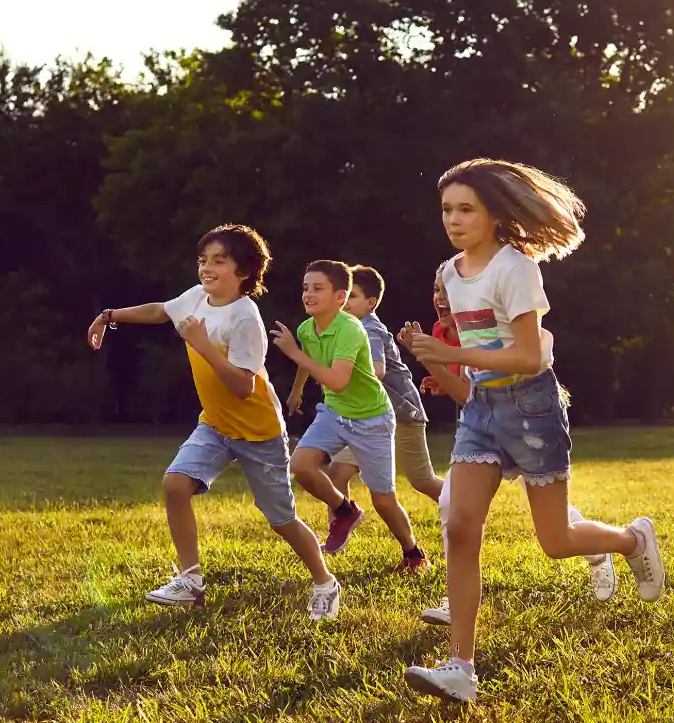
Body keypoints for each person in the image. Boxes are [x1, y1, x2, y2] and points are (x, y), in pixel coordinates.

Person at [399, 158, 664, 703]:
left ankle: (633, 540)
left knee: (556, 540)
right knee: (460, 527)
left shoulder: (515, 268)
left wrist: (450, 351)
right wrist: (435, 359)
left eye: (466, 209)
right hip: (480, 412)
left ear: (495, 214)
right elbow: (472, 357)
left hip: (531, 409)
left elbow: (523, 356)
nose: (453, 219)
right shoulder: (450, 273)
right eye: (447, 209)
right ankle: (461, 668)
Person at [86, 224, 343, 619]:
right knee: (175, 484)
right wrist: (109, 316)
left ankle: (325, 582)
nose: (207, 267)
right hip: (215, 426)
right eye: (203, 260)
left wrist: (202, 345)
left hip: (259, 432)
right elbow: (160, 310)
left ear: (243, 272)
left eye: (219, 261)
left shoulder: (245, 317)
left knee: (281, 519)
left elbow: (242, 385)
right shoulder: (197, 298)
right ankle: (190, 580)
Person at [409, 270, 615, 626]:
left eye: (447, 290)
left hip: (525, 420)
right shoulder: (443, 332)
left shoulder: (483, 326)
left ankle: (599, 549)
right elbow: (465, 389)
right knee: (450, 505)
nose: (440, 298)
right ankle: (455, 599)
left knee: (553, 520)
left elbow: (471, 387)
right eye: (435, 289)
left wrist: (432, 359)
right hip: (483, 426)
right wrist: (437, 368)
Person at [275, 260, 428, 576]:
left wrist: (293, 353)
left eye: (318, 288)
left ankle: (413, 552)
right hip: (334, 413)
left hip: (372, 419)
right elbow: (310, 358)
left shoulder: (351, 329)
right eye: (306, 287)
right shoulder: (307, 328)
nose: (308, 294)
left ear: (339, 297)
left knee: (383, 501)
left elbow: (338, 381)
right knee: (301, 465)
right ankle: (345, 511)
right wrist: (296, 391)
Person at [322, 265, 444, 511]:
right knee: (336, 472)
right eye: (342, 294)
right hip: (370, 418)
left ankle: (466, 506)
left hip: (402, 415)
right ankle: (340, 536)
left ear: (371, 302)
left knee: (422, 480)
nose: (344, 302)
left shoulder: (370, 330)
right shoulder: (346, 329)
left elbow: (377, 370)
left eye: (352, 296)